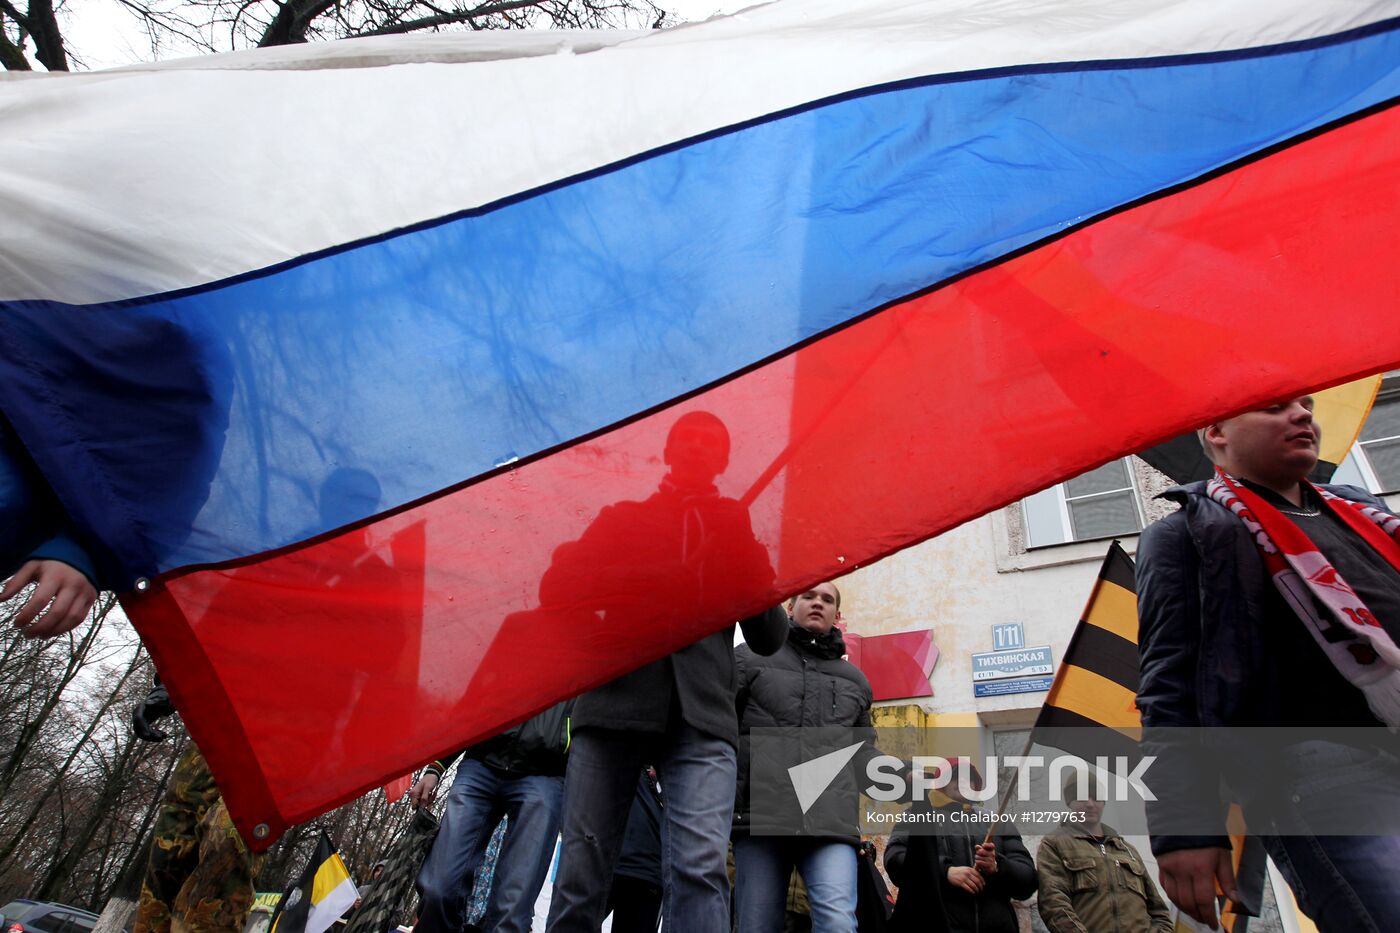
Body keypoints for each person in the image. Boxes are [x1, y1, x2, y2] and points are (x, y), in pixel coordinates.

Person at [1137, 394, 1400, 931]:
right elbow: (1170, 684)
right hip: (1324, 769)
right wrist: (1185, 825)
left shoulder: (1364, 516)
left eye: (1306, 404)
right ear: (1216, 431)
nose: (1304, 415)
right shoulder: (1185, 533)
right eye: (1277, 407)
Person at [543, 411, 788, 933]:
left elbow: (768, 637)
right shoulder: (624, 518)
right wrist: (647, 573)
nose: (699, 448)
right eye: (688, 439)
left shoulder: (733, 527)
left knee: (699, 870)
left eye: (711, 443)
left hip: (702, 715)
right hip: (614, 700)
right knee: (583, 870)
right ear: (669, 452)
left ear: (722, 460)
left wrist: (748, 561)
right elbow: (557, 588)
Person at [731, 581, 878, 933]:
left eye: (827, 600)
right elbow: (721, 732)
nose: (817, 603)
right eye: (809, 596)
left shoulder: (855, 681)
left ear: (837, 615)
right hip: (759, 818)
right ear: (789, 607)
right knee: (756, 926)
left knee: (839, 924)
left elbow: (863, 757)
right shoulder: (748, 657)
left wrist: (916, 777)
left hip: (830, 822)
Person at [410, 699, 573, 933]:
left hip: (547, 773)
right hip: (481, 762)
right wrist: (437, 766)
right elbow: (472, 700)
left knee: (513, 911)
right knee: (440, 888)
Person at [883, 761, 1035, 933]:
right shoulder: (916, 815)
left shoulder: (997, 822)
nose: (963, 781)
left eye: (969, 778)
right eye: (954, 776)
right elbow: (895, 862)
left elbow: (1028, 881)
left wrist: (998, 866)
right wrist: (944, 872)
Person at [1036, 777, 1172, 933]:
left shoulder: (1128, 850)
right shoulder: (1054, 844)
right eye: (1082, 797)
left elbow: (1159, 911)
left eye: (1096, 798)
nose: (1090, 804)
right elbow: (1054, 904)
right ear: (1070, 802)